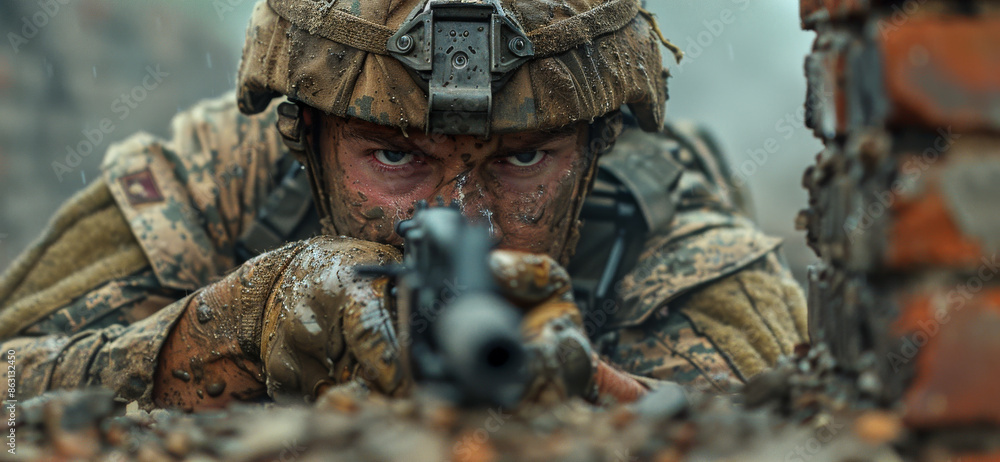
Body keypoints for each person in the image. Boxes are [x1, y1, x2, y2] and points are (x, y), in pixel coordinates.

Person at [0, 0, 807, 411]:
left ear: (599, 148)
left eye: (524, 158)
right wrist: (226, 335)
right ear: (304, 140)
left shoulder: (671, 240)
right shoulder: (213, 187)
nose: (462, 218)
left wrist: (591, 393)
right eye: (395, 156)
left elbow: (790, 437)